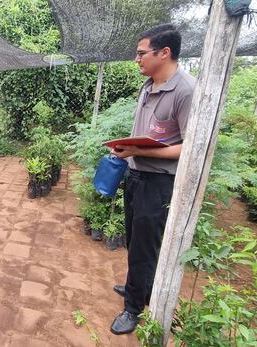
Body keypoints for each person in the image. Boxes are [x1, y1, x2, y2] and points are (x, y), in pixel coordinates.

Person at [108, 23, 196, 335]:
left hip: (158, 184)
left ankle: (133, 310)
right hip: (136, 177)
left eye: (141, 53)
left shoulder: (186, 90)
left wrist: (142, 152)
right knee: (134, 241)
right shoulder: (148, 85)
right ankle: (140, 289)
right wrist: (130, 149)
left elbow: (192, 146)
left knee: (146, 247)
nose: (137, 59)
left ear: (165, 52)